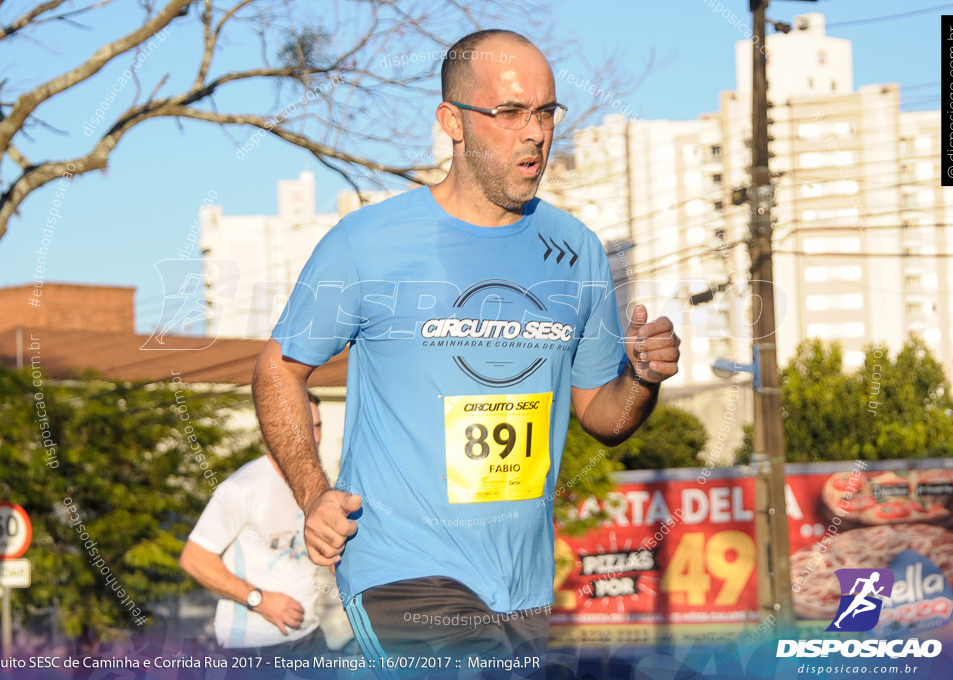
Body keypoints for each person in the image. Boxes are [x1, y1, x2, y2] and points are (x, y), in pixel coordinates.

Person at [252, 29, 681, 667]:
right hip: (402, 568)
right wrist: (313, 492)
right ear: (452, 121)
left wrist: (642, 378)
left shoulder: (578, 252)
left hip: (524, 584)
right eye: (509, 113)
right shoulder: (369, 242)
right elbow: (277, 371)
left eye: (545, 112)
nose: (534, 132)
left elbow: (603, 415)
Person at [179, 391, 331, 669]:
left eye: (318, 427)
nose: (316, 438)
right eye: (306, 427)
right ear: (276, 429)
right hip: (251, 646)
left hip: (309, 636)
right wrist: (259, 600)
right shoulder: (242, 488)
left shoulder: (319, 481)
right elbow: (194, 558)